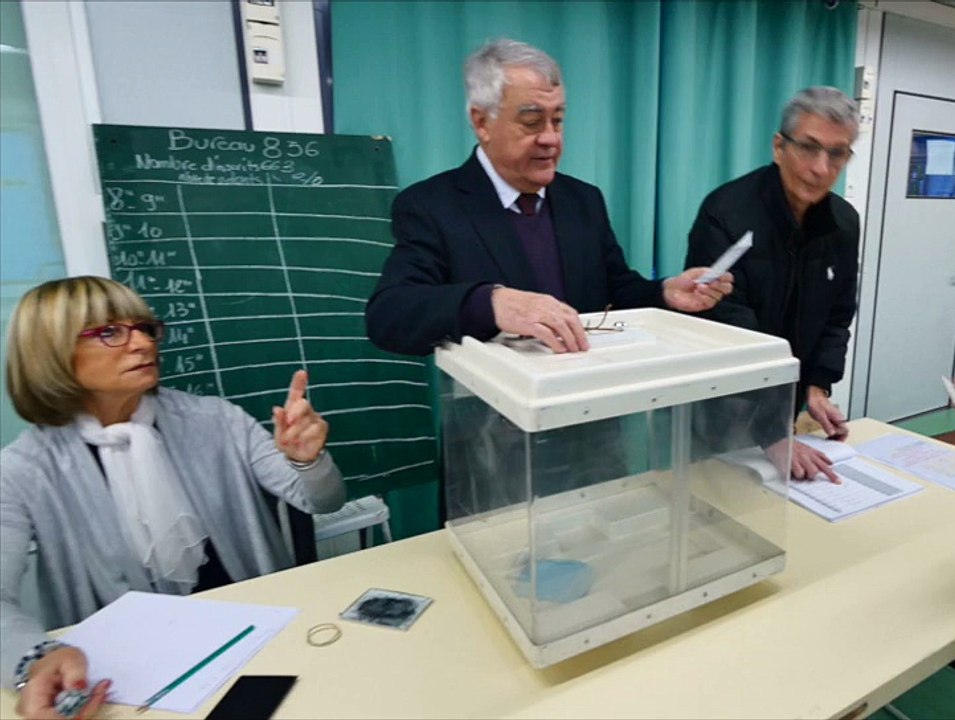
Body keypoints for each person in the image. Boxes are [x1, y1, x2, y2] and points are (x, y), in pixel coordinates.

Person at [1, 277, 346, 718]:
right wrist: (35, 661)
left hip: (258, 643)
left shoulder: (215, 420)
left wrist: (308, 462)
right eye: (110, 332)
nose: (142, 343)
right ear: (50, 351)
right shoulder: (23, 469)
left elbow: (324, 501)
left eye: (145, 328)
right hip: (123, 683)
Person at [365, 38, 732, 357]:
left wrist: (665, 292)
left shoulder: (583, 200)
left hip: (595, 410)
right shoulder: (432, 206)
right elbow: (389, 315)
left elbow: (616, 291)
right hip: (496, 426)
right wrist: (491, 302)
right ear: (481, 122)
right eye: (531, 121)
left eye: (557, 120)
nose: (551, 138)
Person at [684, 87, 860, 481]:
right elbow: (723, 328)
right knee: (719, 506)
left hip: (786, 407)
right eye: (809, 148)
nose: (820, 168)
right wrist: (771, 432)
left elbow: (837, 313)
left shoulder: (843, 222)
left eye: (836, 154)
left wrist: (818, 386)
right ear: (779, 146)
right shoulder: (726, 213)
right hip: (722, 405)